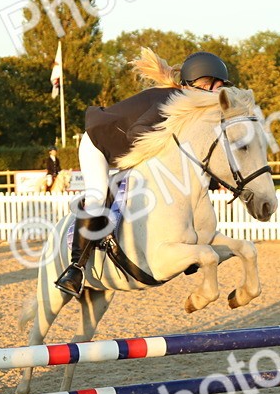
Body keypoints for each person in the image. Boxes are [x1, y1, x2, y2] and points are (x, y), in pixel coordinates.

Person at [54, 49, 230, 296]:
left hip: (128, 150)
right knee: (97, 197)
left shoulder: (191, 109)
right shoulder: (171, 101)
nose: (219, 94)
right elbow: (136, 133)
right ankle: (76, 268)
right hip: (99, 145)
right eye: (215, 87)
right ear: (199, 84)